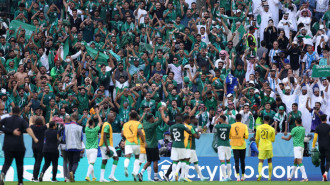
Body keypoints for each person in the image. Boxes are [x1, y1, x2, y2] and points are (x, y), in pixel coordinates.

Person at [0, 106, 39, 185]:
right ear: (20, 112)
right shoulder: (22, 120)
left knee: (7, 162)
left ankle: (3, 173)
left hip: (7, 145)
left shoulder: (6, 119)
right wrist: (34, 138)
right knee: (19, 164)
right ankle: (20, 182)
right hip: (19, 146)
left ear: (12, 111)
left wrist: (10, 131)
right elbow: (28, 129)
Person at [137, 108, 164, 182]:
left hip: (147, 146)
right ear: (150, 119)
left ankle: (141, 173)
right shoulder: (153, 125)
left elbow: (145, 118)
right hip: (153, 145)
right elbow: (161, 120)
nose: (154, 119)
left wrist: (146, 112)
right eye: (153, 118)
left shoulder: (145, 123)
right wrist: (161, 111)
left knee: (149, 161)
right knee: (155, 161)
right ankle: (155, 177)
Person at [169, 114, 196, 182]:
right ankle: (182, 176)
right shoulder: (182, 126)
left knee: (175, 161)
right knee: (183, 160)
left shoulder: (172, 127)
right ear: (180, 120)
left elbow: (171, 137)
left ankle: (173, 176)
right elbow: (189, 131)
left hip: (174, 145)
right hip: (181, 145)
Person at [282, 117, 308, 182]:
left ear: (296, 121)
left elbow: (288, 139)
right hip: (302, 146)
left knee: (299, 161)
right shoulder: (303, 129)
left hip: (296, 146)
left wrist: (283, 138)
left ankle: (305, 178)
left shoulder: (294, 129)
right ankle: (290, 177)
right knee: (295, 161)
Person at [122, 110, 145, 181]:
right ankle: (135, 172)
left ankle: (126, 166)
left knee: (127, 157)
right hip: (136, 143)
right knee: (137, 158)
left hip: (128, 143)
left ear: (130, 116)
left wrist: (126, 138)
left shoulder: (125, 124)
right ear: (136, 116)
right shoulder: (138, 123)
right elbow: (140, 131)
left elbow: (122, 134)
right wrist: (144, 141)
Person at [99, 112, 119, 182]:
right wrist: (107, 147)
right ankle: (111, 175)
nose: (114, 118)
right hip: (107, 145)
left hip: (102, 145)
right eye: (112, 117)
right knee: (116, 158)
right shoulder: (107, 125)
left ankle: (101, 178)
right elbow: (104, 135)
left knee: (104, 160)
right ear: (109, 117)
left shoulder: (106, 124)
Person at [64, 113, 83, 182]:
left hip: (69, 146)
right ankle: (72, 172)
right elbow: (81, 138)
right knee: (75, 162)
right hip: (77, 147)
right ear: (77, 118)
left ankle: (71, 177)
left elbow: (64, 138)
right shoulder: (80, 127)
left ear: (71, 118)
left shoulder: (66, 127)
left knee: (70, 162)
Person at [84, 108, 103, 182]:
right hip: (94, 149)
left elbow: (87, 123)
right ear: (94, 124)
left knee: (90, 164)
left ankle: (93, 177)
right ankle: (87, 176)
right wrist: (97, 114)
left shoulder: (86, 129)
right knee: (92, 163)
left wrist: (91, 115)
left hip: (87, 149)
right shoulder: (95, 130)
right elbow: (100, 122)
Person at [229, 114, 249, 181]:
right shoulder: (244, 126)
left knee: (236, 161)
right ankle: (243, 176)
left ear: (235, 119)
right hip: (242, 145)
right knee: (242, 161)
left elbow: (229, 136)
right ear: (241, 118)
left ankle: (238, 176)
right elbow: (246, 136)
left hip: (234, 145)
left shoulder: (231, 126)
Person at [256, 115, 275, 181]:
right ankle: (269, 177)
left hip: (262, 146)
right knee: (269, 161)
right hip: (269, 146)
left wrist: (257, 145)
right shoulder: (272, 129)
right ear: (269, 120)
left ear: (263, 120)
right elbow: (273, 140)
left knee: (261, 161)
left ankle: (260, 174)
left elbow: (256, 138)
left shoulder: (259, 127)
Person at [312, 114, 330, 181]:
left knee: (322, 162)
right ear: (326, 119)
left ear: (320, 119)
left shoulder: (318, 127)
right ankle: (326, 173)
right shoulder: (329, 127)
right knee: (328, 160)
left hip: (321, 146)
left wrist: (313, 147)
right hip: (328, 146)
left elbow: (315, 138)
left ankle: (323, 177)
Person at [29, 115, 47, 182]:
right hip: (41, 147)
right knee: (38, 162)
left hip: (34, 146)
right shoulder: (43, 127)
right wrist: (51, 115)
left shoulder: (33, 127)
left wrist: (31, 116)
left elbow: (30, 122)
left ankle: (34, 176)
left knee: (36, 161)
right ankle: (35, 178)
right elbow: (50, 123)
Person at [214, 115, 232, 181]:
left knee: (222, 160)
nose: (218, 119)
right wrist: (224, 120)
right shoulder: (228, 126)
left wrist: (216, 119)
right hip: (227, 144)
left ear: (222, 119)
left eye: (219, 118)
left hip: (220, 144)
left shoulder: (218, 126)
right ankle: (229, 176)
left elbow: (214, 124)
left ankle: (224, 177)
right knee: (228, 160)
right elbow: (228, 125)